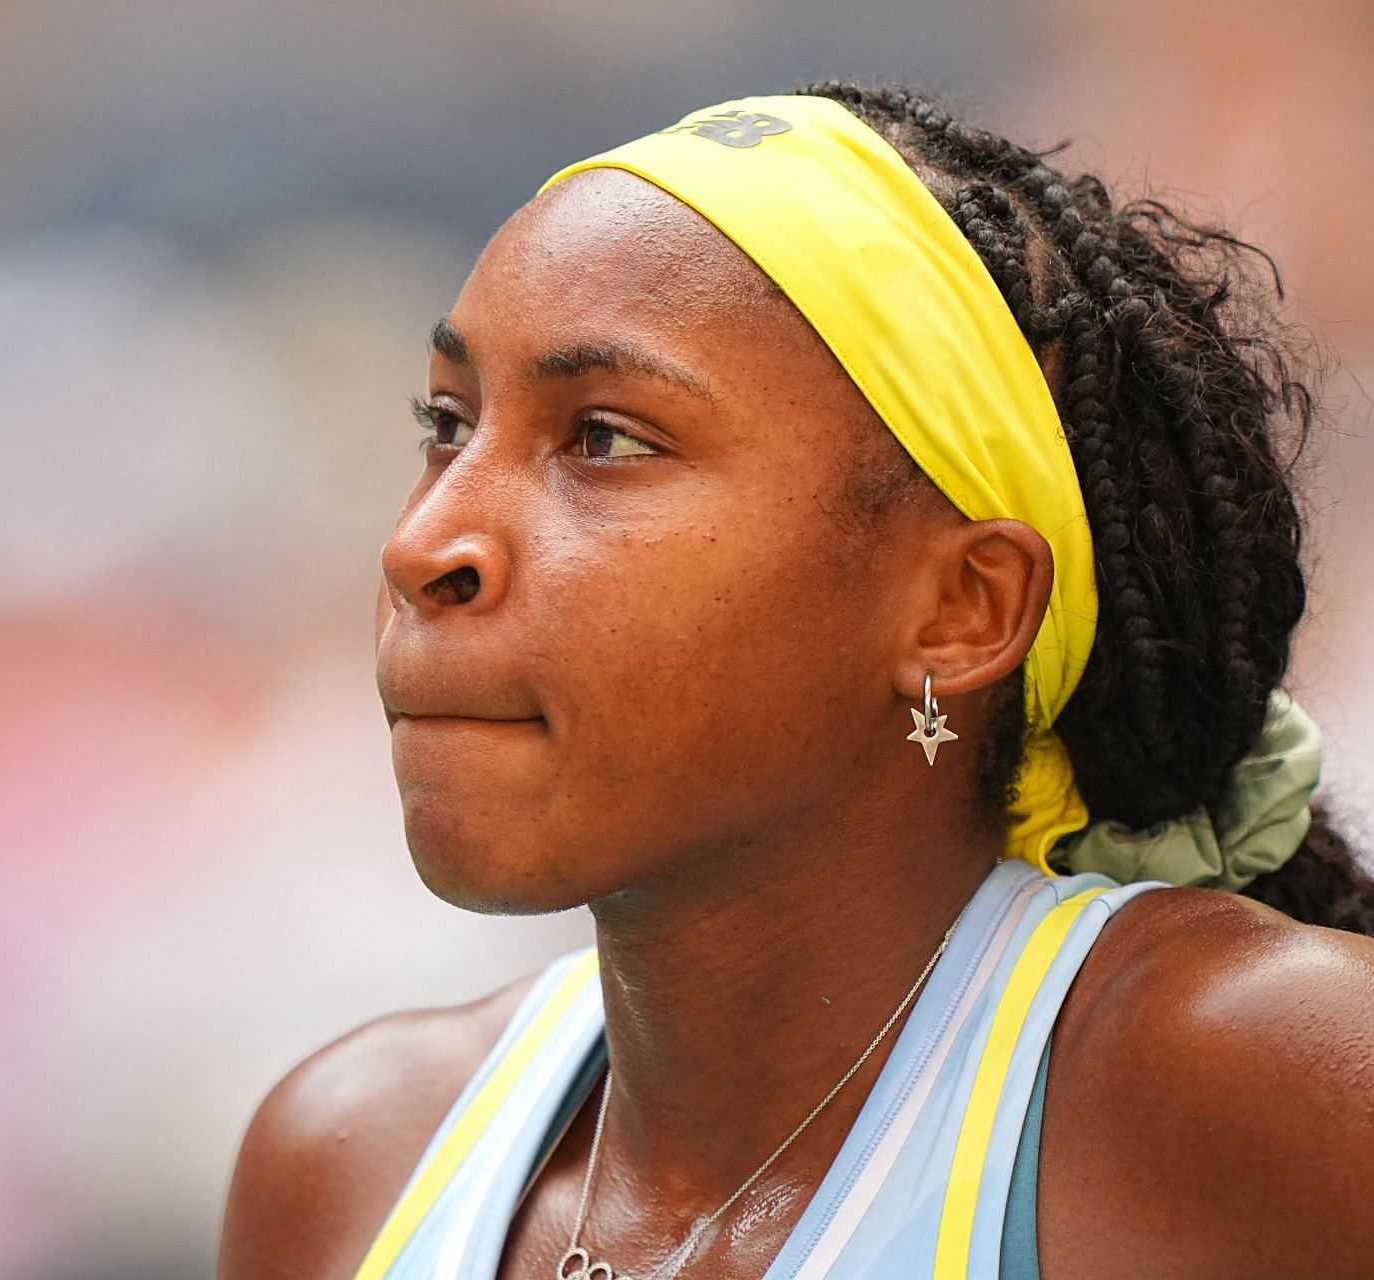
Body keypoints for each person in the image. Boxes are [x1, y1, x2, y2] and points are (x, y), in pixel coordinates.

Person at [216, 83, 1374, 1280]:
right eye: (447, 423)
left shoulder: (1272, 1088)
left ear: (958, 608)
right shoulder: (349, 1158)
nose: (424, 544)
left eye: (606, 437)